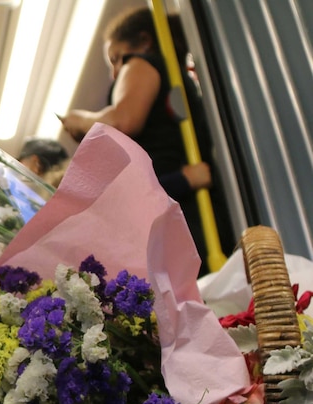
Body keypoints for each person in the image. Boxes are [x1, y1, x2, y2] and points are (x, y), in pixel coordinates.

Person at [58, 7, 224, 275]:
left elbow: (124, 119)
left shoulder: (141, 63)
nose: (115, 73)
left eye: (116, 59)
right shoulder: (178, 81)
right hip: (189, 208)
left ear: (144, 43)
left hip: (181, 214)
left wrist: (82, 120)